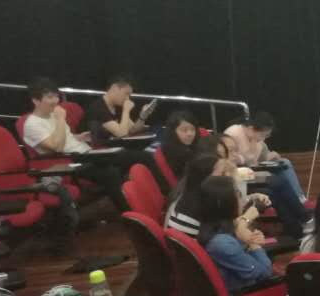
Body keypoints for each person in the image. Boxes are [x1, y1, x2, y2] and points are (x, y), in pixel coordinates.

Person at [22, 77, 134, 212]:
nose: (55, 101)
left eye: (56, 96)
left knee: (126, 157)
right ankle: (127, 212)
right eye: (50, 97)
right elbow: (57, 146)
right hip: (70, 161)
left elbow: (63, 137)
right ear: (36, 101)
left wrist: (78, 137)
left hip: (85, 152)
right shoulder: (32, 124)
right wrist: (61, 119)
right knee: (111, 171)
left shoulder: (52, 115)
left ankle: (131, 202)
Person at [224, 112, 312, 238]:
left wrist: (256, 146)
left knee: (272, 193)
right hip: (235, 176)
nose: (264, 138)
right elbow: (231, 158)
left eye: (267, 136)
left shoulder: (257, 141)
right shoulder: (233, 133)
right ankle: (306, 217)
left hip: (246, 175)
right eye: (263, 135)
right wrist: (244, 158)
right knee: (279, 181)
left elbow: (253, 162)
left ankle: (294, 229)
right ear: (251, 128)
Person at [197, 175, 274, 295]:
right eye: (238, 194)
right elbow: (264, 273)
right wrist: (254, 244)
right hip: (245, 295)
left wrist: (247, 236)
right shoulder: (222, 243)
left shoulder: (213, 227)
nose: (242, 199)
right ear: (223, 202)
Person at [85, 74, 155, 147]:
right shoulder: (98, 108)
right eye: (126, 94)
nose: (127, 98)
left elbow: (132, 130)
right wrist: (126, 111)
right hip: (99, 149)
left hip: (115, 146)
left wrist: (142, 117)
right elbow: (122, 134)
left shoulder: (118, 106)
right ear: (114, 88)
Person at [165, 153, 223, 237]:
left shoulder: (187, 194)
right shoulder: (204, 207)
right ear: (207, 178)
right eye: (222, 173)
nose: (226, 176)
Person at [159, 110, 201, 181]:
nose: (190, 134)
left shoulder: (196, 145)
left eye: (193, 129)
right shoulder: (172, 153)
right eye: (184, 130)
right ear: (173, 132)